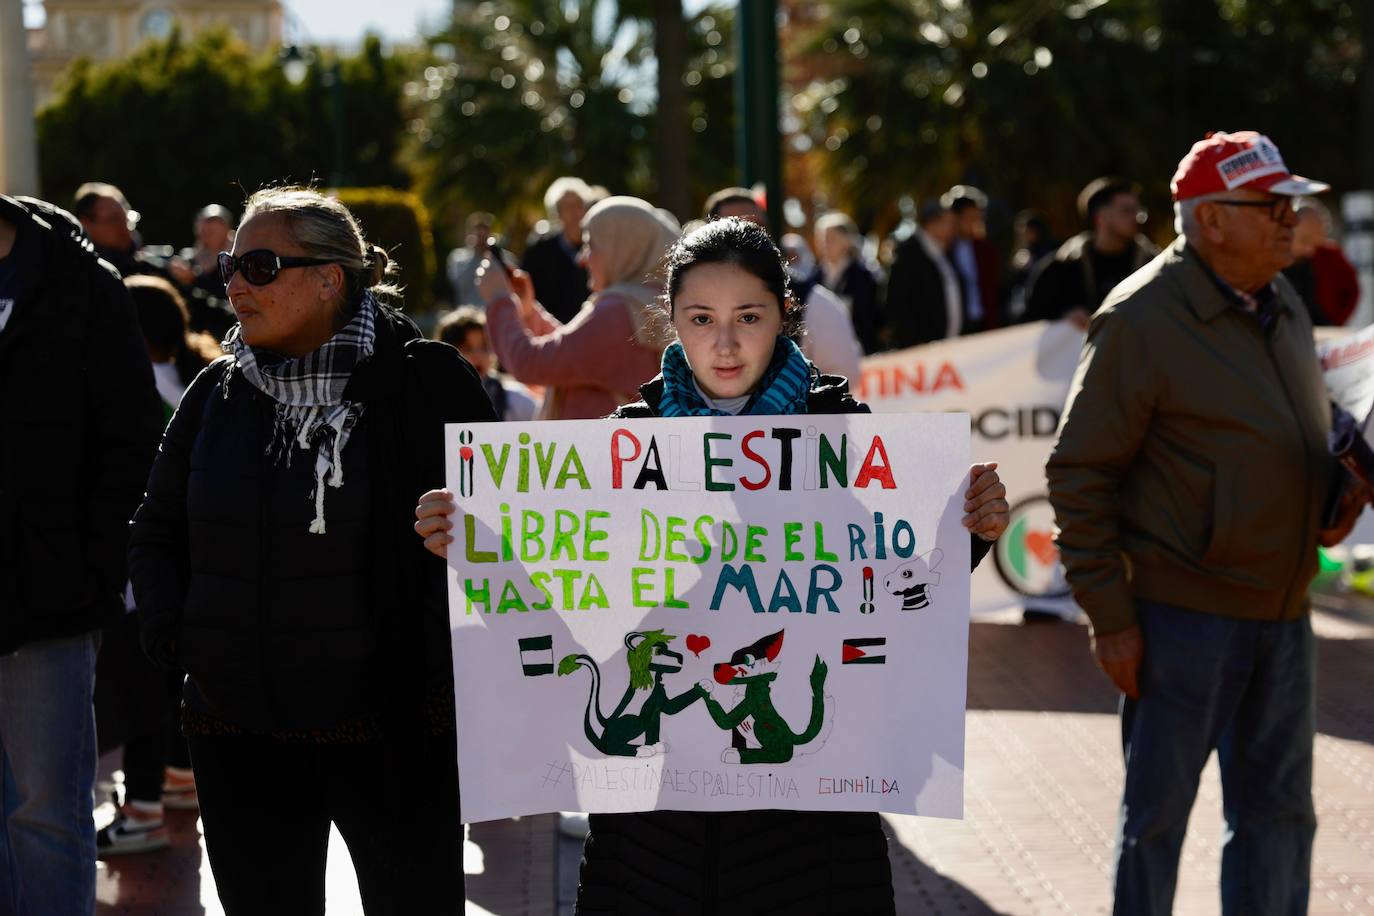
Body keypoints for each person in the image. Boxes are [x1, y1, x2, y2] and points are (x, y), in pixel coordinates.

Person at [415, 217, 1010, 915]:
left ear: (784, 316)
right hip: (653, 832)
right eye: (700, 318)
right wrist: (475, 549)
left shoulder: (846, 434)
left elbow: (893, 586)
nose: (724, 342)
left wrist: (967, 531)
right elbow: (566, 606)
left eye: (748, 317)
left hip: (808, 826)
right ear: (671, 320)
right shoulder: (627, 444)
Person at [128, 186, 494, 914]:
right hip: (238, 731)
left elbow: (506, 532)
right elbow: (156, 528)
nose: (232, 282)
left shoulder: (427, 383)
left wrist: (465, 544)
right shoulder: (215, 393)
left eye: (259, 265)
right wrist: (179, 639)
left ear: (331, 278)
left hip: (392, 734)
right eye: (231, 262)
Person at [1046, 131, 1364, 915]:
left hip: (1283, 616)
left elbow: (1299, 436)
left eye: (1292, 203)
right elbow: (1079, 471)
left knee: (1280, 821)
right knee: (1156, 825)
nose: (1292, 220)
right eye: (1271, 206)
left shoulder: (1283, 301)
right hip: (1178, 620)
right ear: (1211, 220)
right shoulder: (1142, 317)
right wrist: (1110, 617)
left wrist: (1345, 487)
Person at [0, 194, 164, 913]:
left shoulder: (79, 281)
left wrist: (89, 566)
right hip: (57, 585)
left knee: (46, 813)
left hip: (50, 601)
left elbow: (129, 438)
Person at [93, 275, 219, 857]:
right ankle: (176, 776)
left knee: (141, 690)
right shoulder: (196, 383)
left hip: (141, 572)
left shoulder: (132, 395)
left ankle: (140, 808)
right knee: (170, 684)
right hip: (192, 568)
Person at [484, 195, 678, 420]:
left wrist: (498, 298)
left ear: (621, 247)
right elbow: (576, 357)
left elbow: (529, 362)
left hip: (599, 450)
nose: (582, 259)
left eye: (591, 245)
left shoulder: (618, 310)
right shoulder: (655, 301)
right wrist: (528, 311)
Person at [703, 187, 863, 382]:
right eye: (734, 227)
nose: (750, 235)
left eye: (758, 227)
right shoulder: (689, 305)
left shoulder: (814, 302)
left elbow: (844, 377)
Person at [1026, 177, 1158, 328]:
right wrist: (1063, 317)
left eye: (1138, 210)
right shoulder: (1061, 269)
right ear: (1100, 217)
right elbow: (1031, 320)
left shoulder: (1154, 264)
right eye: (1126, 211)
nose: (1137, 217)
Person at [435, 306, 537, 422]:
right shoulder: (433, 401)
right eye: (467, 349)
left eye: (484, 347)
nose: (478, 355)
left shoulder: (514, 399)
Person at [883, 200, 963, 349]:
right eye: (948, 222)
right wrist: (913, 341)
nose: (953, 227)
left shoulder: (945, 250)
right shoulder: (908, 253)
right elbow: (898, 302)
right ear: (932, 223)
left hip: (948, 345)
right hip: (922, 350)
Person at [521, 177, 594, 323]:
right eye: (567, 208)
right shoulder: (540, 250)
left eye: (578, 206)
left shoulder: (597, 245)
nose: (575, 213)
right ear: (557, 214)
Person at [810, 211, 881, 354]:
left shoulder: (864, 276)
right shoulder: (814, 277)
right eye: (821, 239)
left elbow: (869, 320)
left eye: (832, 239)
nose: (825, 245)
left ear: (847, 241)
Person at [1283, 198, 1360, 327]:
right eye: (1304, 240)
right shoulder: (1270, 256)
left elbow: (1352, 290)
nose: (1310, 251)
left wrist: (1337, 322)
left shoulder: (1329, 255)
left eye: (1316, 242)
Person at [941, 185, 1001, 333]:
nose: (975, 223)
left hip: (983, 324)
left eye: (978, 218)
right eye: (970, 218)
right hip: (955, 326)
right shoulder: (943, 251)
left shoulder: (986, 250)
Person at [1003, 210, 1058, 322]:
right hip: (1027, 310)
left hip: (1049, 307)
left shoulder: (1050, 252)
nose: (1026, 236)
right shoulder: (1021, 254)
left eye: (1029, 231)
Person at [446, 211, 508, 309]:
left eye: (485, 231)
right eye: (477, 231)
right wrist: (476, 253)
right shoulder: (458, 258)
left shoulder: (502, 258)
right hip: (467, 315)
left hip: (492, 317)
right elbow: (458, 283)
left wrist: (494, 255)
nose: (481, 237)